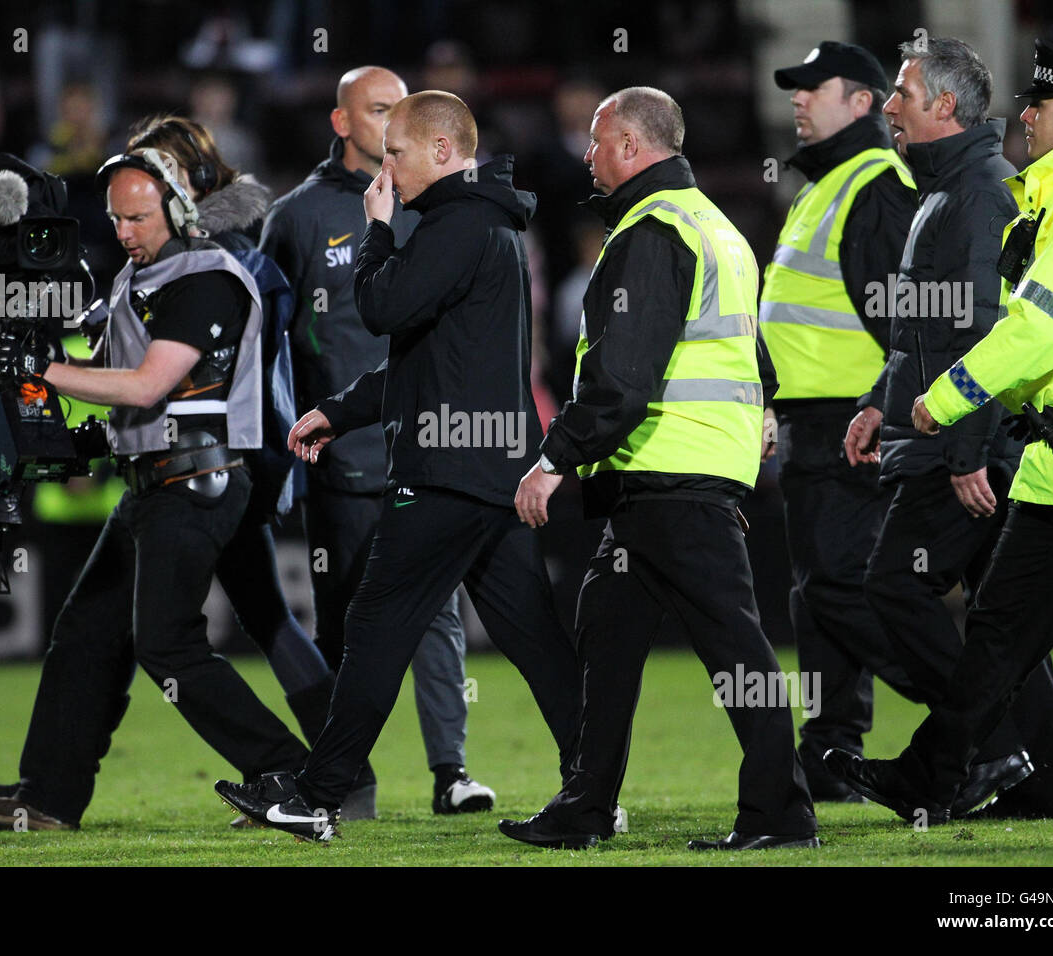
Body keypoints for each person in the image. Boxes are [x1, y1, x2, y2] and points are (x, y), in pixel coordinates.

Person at [213, 90, 582, 842]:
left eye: (397, 153)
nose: (387, 170)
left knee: (377, 625)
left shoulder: (457, 221)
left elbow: (381, 310)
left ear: (443, 151)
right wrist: (343, 410)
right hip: (490, 467)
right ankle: (595, 781)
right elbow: (429, 358)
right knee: (535, 639)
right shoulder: (488, 222)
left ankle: (318, 795)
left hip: (446, 471)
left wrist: (377, 232)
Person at [500, 87, 818, 851]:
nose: (587, 154)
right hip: (674, 473)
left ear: (635, 148)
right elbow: (752, 351)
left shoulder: (652, 232)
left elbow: (624, 378)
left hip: (672, 474)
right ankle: (585, 808)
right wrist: (763, 413)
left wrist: (553, 459)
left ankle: (781, 814)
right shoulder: (718, 229)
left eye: (599, 140)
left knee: (737, 649)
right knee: (606, 644)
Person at [0, 146, 309, 830]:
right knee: (85, 632)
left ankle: (289, 774)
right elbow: (121, 390)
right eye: (117, 218)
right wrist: (72, 427)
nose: (124, 232)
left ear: (178, 210)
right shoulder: (137, 277)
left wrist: (42, 368)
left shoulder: (209, 276)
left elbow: (151, 383)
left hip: (197, 481)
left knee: (167, 644)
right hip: (152, 480)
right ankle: (48, 797)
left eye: (139, 218)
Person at [826, 39, 1053, 823]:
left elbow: (1031, 329)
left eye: (1039, 106)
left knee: (936, 605)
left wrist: (950, 410)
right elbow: (942, 333)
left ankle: (995, 766)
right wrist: (888, 402)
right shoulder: (1028, 194)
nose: (1022, 115)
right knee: (997, 637)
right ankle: (960, 775)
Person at [112, 114, 379, 820]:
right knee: (267, 615)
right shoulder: (212, 246)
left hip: (226, 450)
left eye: (154, 179)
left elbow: (253, 367)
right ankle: (343, 778)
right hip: (243, 446)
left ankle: (328, 775)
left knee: (203, 630)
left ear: (185, 183)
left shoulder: (216, 256)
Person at [257, 67, 494, 815]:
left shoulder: (437, 205)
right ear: (341, 121)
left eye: (402, 111)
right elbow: (268, 339)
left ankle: (451, 772)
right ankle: (348, 783)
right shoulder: (296, 216)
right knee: (342, 624)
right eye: (381, 111)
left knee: (439, 615)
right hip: (339, 457)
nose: (396, 124)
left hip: (429, 444)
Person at [759, 41, 921, 800]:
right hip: (816, 421)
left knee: (842, 588)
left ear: (862, 101)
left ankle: (972, 715)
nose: (798, 99)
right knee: (818, 592)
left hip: (852, 423)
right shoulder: (827, 185)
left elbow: (907, 326)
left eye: (813, 88)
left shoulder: (874, 184)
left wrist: (880, 409)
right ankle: (829, 752)